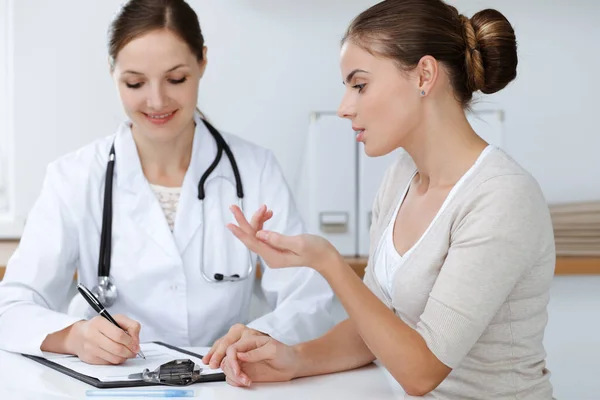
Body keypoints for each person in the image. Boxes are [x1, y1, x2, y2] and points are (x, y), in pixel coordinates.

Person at [215, 0, 555, 398]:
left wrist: (328, 263)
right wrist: (293, 359)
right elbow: (376, 328)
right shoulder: (401, 177)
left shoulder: (501, 197)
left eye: (359, 85)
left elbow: (421, 371)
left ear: (424, 75)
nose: (344, 108)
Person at [0, 0, 335, 366]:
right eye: (135, 82)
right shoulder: (74, 177)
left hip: (224, 381)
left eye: (176, 79)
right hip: (113, 387)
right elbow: (12, 306)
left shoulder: (255, 170)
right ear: (111, 71)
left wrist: (264, 335)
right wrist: (74, 336)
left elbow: (308, 298)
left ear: (202, 62)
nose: (156, 100)